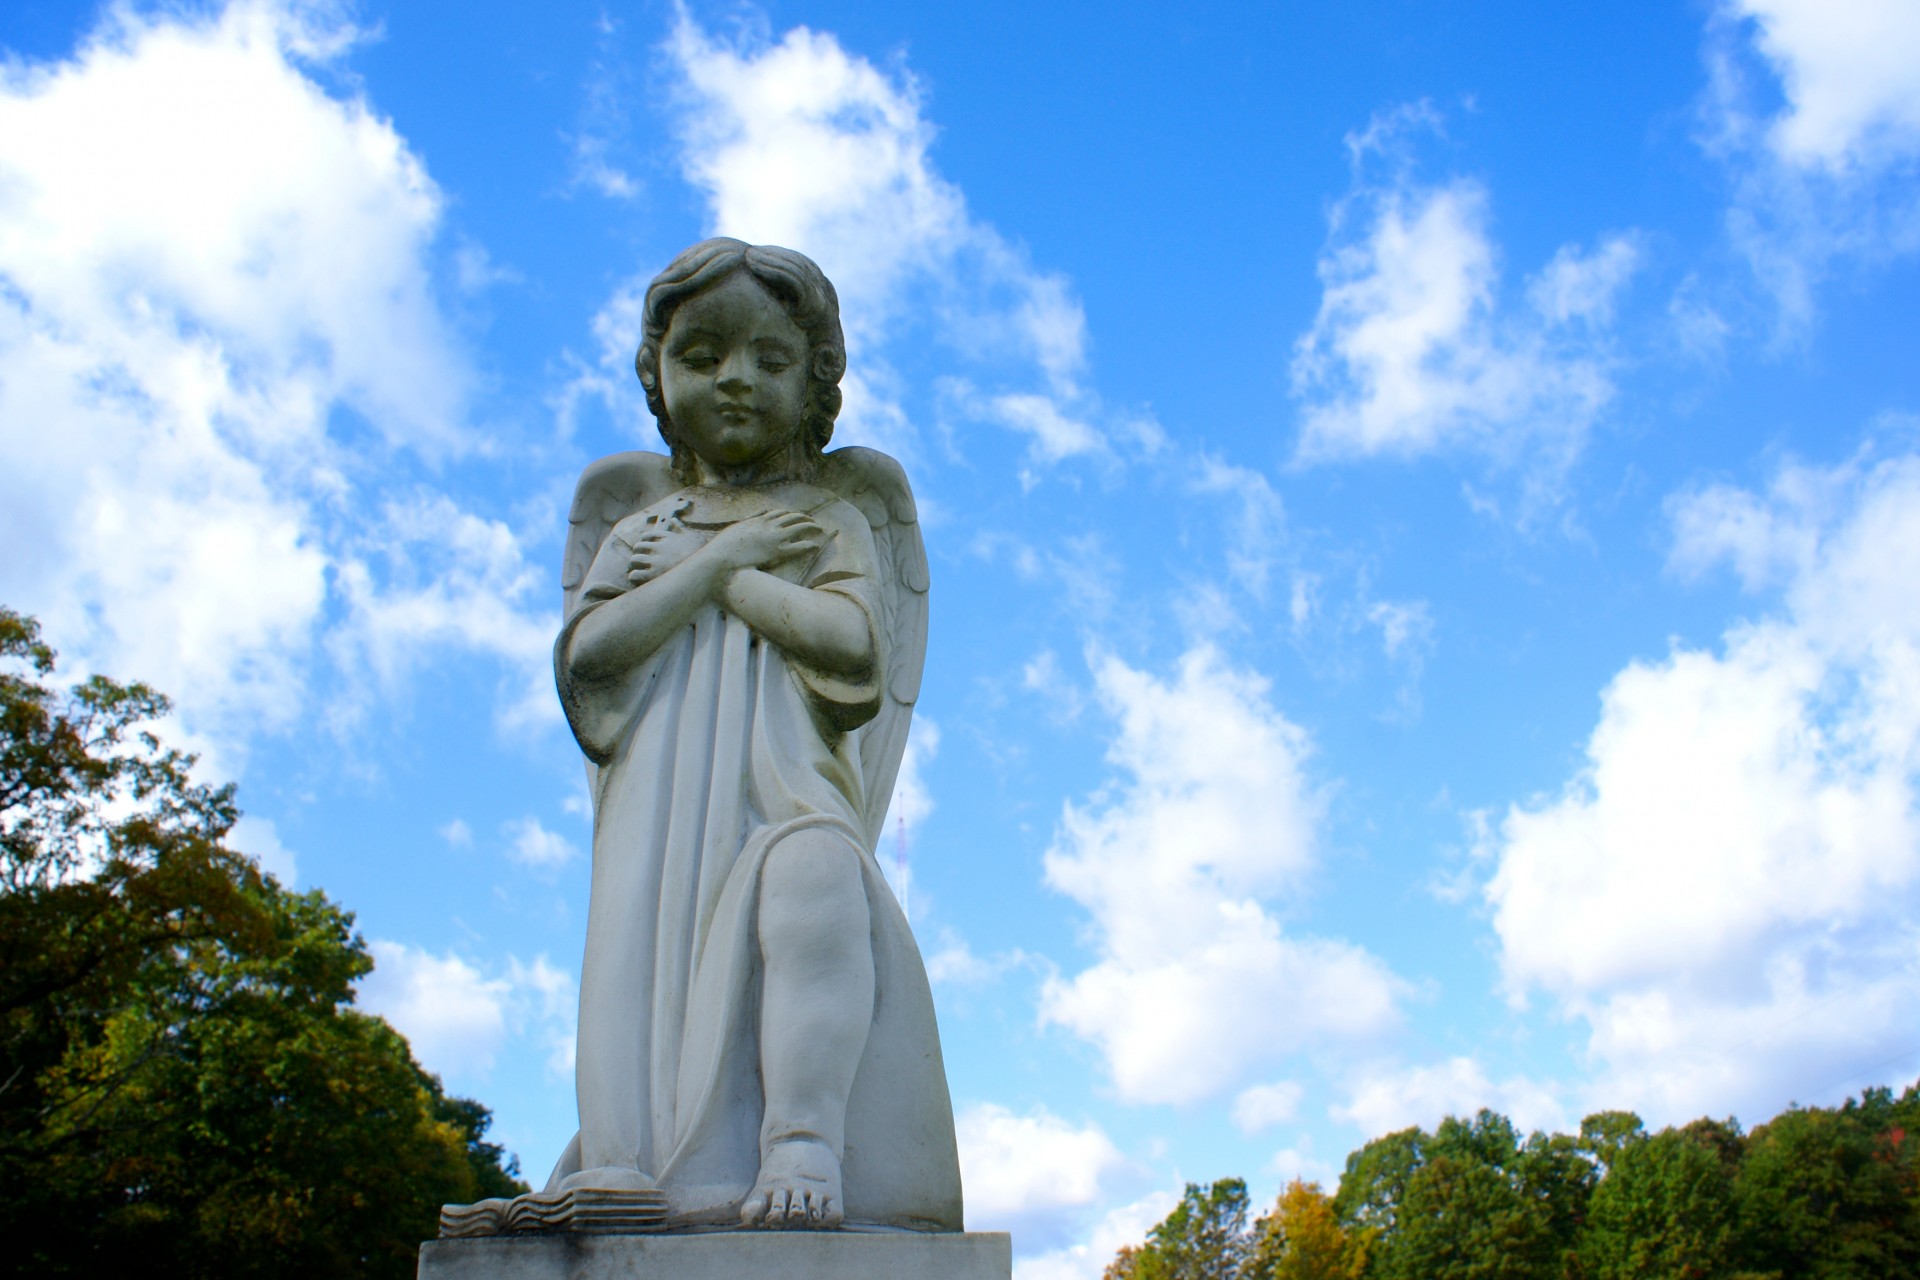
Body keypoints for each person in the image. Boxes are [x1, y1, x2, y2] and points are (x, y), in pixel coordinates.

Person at [548, 239, 961, 1233]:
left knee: (816, 881)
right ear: (659, 375)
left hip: (785, 788)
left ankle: (802, 1137)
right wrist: (720, 556)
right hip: (659, 802)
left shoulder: (830, 522)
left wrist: (730, 571)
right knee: (643, 978)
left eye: (770, 361)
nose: (734, 379)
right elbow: (588, 657)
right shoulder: (637, 528)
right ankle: (634, 1158)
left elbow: (857, 645)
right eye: (703, 357)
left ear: (815, 383)